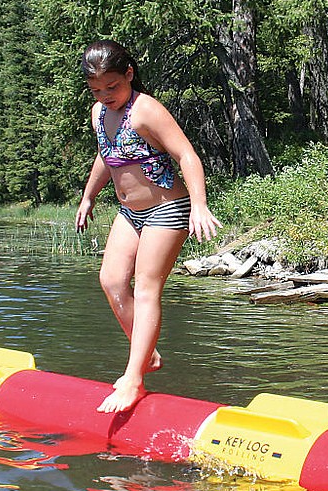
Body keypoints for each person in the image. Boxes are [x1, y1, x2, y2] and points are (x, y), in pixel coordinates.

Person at [76, 39, 221, 413]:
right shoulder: (99, 114)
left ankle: (133, 378)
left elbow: (186, 153)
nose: (106, 95)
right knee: (110, 281)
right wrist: (89, 196)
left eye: (113, 86)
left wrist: (199, 206)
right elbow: (106, 158)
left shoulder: (145, 111)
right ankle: (147, 355)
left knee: (145, 287)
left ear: (129, 74)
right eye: (97, 90)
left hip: (166, 209)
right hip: (129, 213)